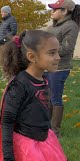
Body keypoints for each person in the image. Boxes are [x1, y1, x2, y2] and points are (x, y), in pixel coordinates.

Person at [0, 30, 74, 161]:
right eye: (52, 53)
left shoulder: (44, 79)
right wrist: (8, 157)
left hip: (46, 141)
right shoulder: (19, 85)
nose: (58, 57)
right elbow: (6, 121)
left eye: (57, 52)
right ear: (31, 56)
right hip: (27, 148)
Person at [46, 0, 80, 137]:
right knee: (47, 97)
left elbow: (67, 48)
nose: (52, 11)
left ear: (64, 11)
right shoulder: (52, 27)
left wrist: (46, 49)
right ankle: (46, 127)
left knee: (55, 98)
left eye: (55, 9)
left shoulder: (70, 26)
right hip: (48, 67)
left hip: (60, 69)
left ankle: (55, 132)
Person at [0, 5, 18, 80]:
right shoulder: (4, 21)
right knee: (3, 60)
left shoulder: (12, 20)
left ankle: (9, 76)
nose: (1, 13)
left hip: (7, 44)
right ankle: (5, 74)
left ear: (7, 12)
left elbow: (13, 32)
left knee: (7, 60)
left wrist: (4, 39)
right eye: (1, 12)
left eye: (3, 12)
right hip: (1, 44)